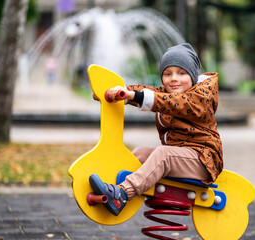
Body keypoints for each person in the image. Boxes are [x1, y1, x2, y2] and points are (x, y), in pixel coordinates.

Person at [90, 43, 223, 216]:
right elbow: (146, 91)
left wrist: (135, 97)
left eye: (181, 73)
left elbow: (175, 104)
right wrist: (114, 91)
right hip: (182, 155)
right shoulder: (166, 93)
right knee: (139, 154)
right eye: (168, 74)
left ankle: (122, 195)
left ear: (193, 76)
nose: (174, 78)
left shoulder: (200, 97)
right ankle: (108, 185)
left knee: (163, 155)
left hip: (203, 160)